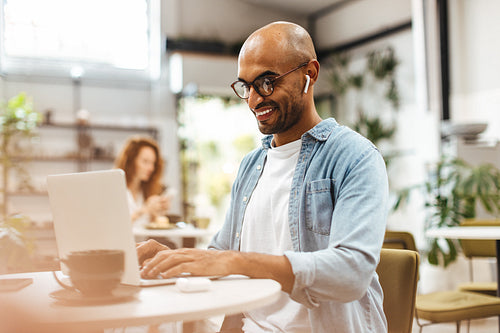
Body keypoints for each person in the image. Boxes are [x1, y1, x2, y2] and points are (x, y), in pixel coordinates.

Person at [137, 21, 389, 333]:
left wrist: (235, 262)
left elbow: (352, 273)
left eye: (267, 82)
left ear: (309, 74)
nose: (255, 99)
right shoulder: (251, 165)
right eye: (246, 86)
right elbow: (220, 254)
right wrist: (176, 261)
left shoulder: (355, 157)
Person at [114, 135, 170, 225]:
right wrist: (143, 210)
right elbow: (114, 227)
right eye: (145, 161)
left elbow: (148, 227)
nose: (151, 168)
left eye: (153, 163)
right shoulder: (114, 189)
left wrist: (158, 213)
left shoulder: (146, 191)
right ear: (131, 161)